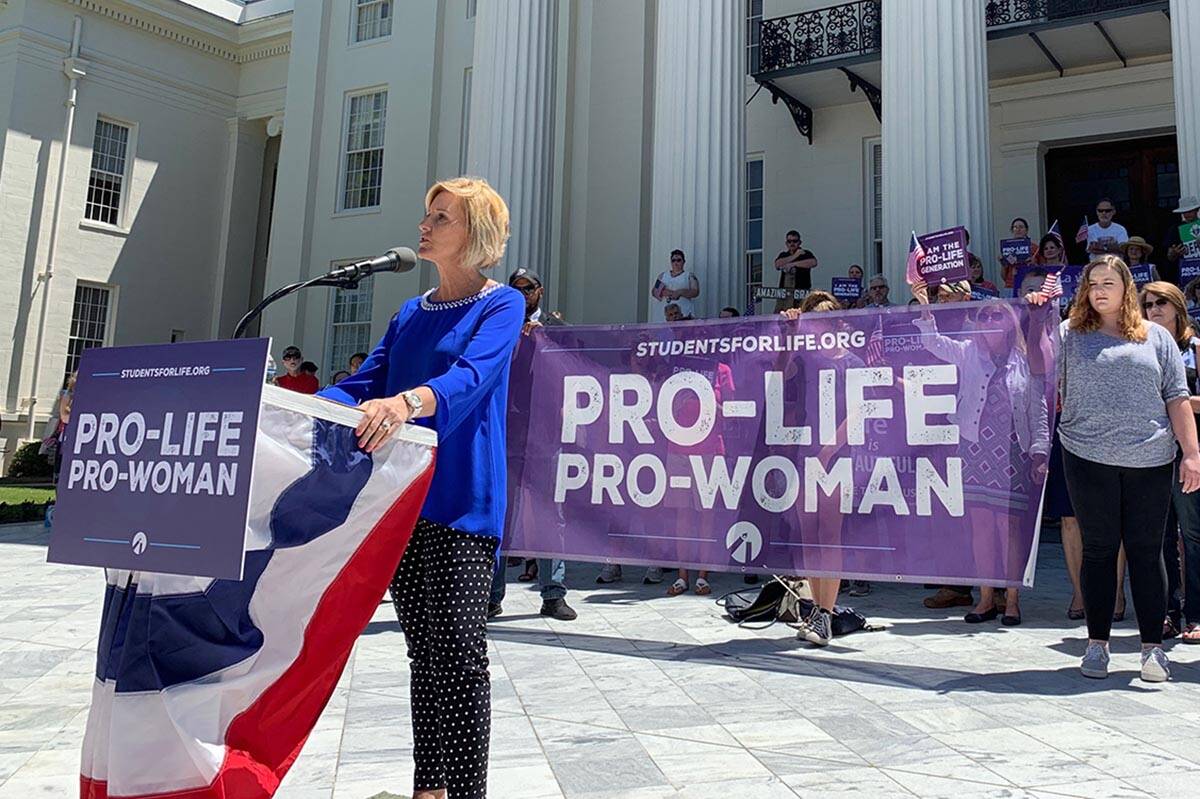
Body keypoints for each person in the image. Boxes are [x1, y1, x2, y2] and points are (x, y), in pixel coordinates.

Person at [318, 176, 525, 798]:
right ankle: (428, 789)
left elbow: (472, 376)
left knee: (460, 657)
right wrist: (281, 405)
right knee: (425, 658)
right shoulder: (409, 312)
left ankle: (465, 794)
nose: (425, 226)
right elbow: (361, 385)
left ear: (475, 235)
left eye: (442, 217)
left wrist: (408, 403)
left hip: (463, 499)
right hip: (403, 501)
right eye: (426, 214)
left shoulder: (501, 305)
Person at [1049, 254, 1200, 682]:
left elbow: (1176, 396)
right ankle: (1097, 645)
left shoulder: (1156, 338)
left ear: (1126, 289)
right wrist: (1037, 312)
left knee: (1147, 551)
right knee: (1098, 550)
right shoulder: (1068, 335)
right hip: (1086, 457)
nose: (1099, 290)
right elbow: (1030, 360)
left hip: (1150, 459)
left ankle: (1152, 649)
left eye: (1108, 283)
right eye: (1093, 283)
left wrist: (1192, 452)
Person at [911, 281, 1050, 626]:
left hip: (1012, 453)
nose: (989, 319)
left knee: (1010, 527)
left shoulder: (1024, 359)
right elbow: (932, 342)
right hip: (974, 450)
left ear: (1008, 322)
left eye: (996, 314)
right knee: (981, 527)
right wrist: (925, 305)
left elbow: (1038, 410)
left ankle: (1012, 599)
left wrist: (1040, 451)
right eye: (984, 314)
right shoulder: (969, 352)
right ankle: (986, 599)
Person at [488, 266, 576, 622]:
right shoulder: (497, 324)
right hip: (505, 432)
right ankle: (491, 596)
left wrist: (547, 338)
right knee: (500, 518)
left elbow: (578, 359)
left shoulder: (554, 327)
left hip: (544, 435)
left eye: (529, 288)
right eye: (517, 287)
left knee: (549, 516)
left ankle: (553, 594)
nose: (523, 293)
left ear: (540, 291)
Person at [1140, 281, 1200, 643]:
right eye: (1147, 304)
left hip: (1188, 450)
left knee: (1193, 536)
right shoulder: (1141, 347)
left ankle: (1196, 613)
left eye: (1161, 302)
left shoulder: (1194, 347)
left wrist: (1177, 401)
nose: (1154, 310)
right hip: (1152, 452)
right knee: (1158, 537)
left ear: (1178, 307)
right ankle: (1166, 612)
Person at [773, 230, 818, 311]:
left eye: (795, 241)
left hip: (801, 293)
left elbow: (813, 262)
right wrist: (795, 255)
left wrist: (792, 264)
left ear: (800, 242)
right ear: (786, 243)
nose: (792, 243)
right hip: (785, 294)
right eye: (789, 241)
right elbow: (777, 264)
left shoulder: (805, 253)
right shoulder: (783, 255)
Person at [1162, 195, 1199, 286]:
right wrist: (1175, 252)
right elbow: (1169, 256)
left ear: (1197, 210)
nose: (1187, 214)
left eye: (1190, 211)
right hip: (1186, 273)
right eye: (1184, 212)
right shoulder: (1175, 229)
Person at [651, 250, 699, 320]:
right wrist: (667, 292)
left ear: (683, 261)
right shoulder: (663, 275)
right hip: (663, 314)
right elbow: (654, 292)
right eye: (673, 260)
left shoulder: (689, 276)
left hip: (683, 312)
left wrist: (681, 292)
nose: (676, 263)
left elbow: (695, 291)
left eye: (678, 260)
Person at [998, 217, 1037, 288]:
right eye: (1015, 227)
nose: (1018, 229)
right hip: (1011, 285)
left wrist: (1033, 263)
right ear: (1012, 230)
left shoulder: (1034, 248)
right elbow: (1004, 277)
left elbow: (1041, 269)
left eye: (1021, 227)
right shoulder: (1007, 248)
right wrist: (1003, 263)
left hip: (1029, 285)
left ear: (1026, 230)